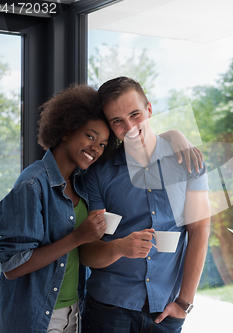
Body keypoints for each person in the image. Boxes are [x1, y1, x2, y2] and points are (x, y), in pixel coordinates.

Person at [80, 76, 211, 333]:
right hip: (108, 308)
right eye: (117, 121)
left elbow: (200, 231)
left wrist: (184, 302)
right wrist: (119, 247)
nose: (129, 126)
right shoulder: (98, 174)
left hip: (165, 311)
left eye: (135, 114)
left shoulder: (188, 162)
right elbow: (87, 253)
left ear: (149, 109)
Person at [0, 85, 111, 333]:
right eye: (90, 136)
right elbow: (13, 267)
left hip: (74, 312)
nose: (96, 148)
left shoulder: (81, 182)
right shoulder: (32, 185)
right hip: (36, 317)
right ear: (66, 131)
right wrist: (79, 237)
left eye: (102, 144)